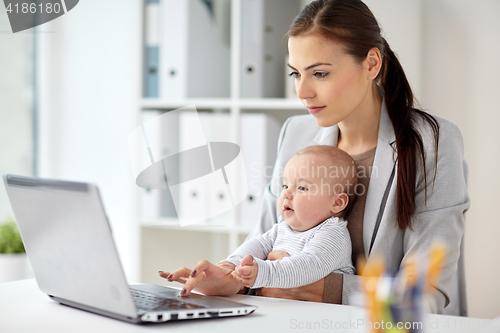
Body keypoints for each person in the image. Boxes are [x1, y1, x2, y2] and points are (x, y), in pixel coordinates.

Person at [160, 0, 469, 315]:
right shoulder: (296, 133)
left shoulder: (432, 142)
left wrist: (320, 288)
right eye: (296, 73)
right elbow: (267, 238)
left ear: (372, 64)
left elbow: (423, 297)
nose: (302, 91)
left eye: (319, 73)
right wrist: (229, 275)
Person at [226, 145, 356, 290]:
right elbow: (259, 244)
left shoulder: (333, 234)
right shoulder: (283, 227)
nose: (287, 193)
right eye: (285, 186)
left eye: (302, 188)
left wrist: (263, 272)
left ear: (337, 202)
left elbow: (307, 266)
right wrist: (232, 264)